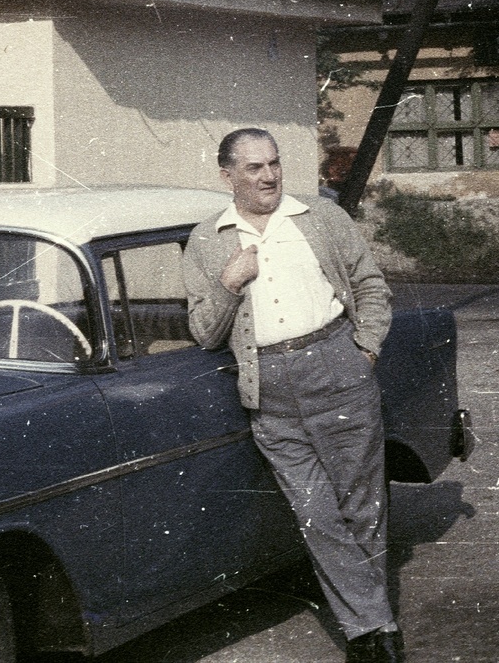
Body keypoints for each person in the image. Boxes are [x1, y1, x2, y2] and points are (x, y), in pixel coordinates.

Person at [183, 128, 402, 663]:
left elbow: (371, 286)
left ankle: (367, 634)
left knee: (361, 504)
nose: (269, 176)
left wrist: (364, 350)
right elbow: (204, 332)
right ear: (226, 176)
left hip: (336, 364)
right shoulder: (208, 240)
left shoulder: (320, 218)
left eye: (274, 164)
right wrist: (230, 282)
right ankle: (377, 627)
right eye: (254, 168)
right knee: (315, 512)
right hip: (270, 388)